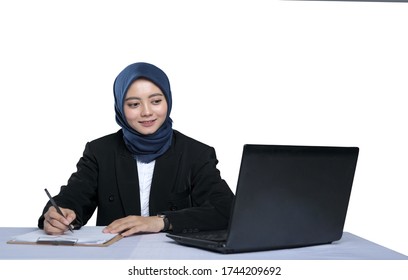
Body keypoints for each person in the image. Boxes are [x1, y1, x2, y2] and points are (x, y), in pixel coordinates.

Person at [38, 62, 234, 237]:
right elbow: (73, 197)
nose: (147, 112)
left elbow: (226, 209)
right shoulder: (100, 152)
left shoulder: (196, 154)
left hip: (174, 259)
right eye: (133, 104)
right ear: (120, 108)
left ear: (168, 101)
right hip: (115, 257)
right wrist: (57, 214)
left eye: (156, 101)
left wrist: (162, 221)